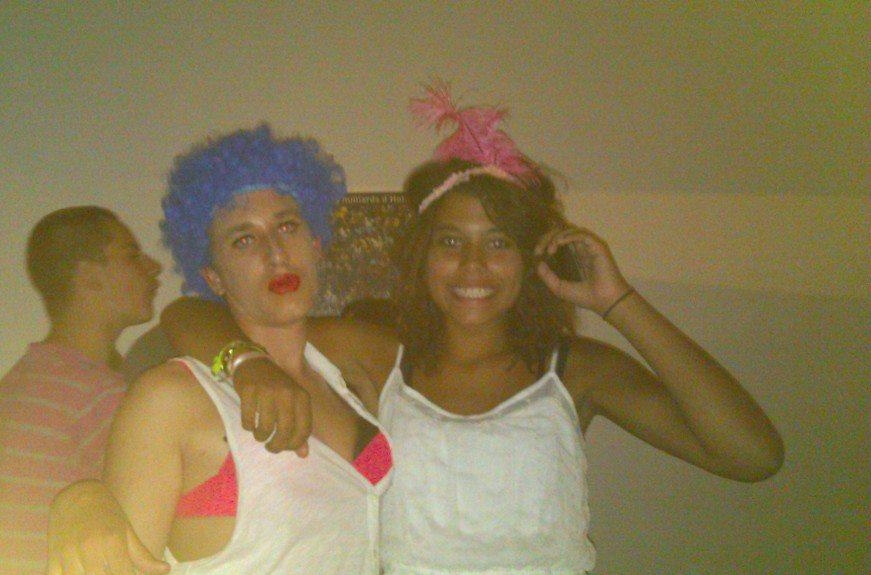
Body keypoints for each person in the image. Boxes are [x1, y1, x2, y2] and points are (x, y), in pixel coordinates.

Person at [49, 87, 783, 574]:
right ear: (421, 257)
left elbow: (752, 455)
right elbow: (189, 317)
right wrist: (242, 365)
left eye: (498, 242)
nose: (474, 266)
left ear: (530, 258)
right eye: (450, 242)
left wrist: (617, 299)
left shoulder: (571, 368)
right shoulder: (377, 356)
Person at [48, 125, 393, 575]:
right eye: (243, 240)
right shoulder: (170, 399)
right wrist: (78, 500)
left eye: (287, 226)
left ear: (315, 246)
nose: (276, 253)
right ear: (213, 277)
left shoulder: (342, 378)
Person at [0, 206, 161, 575]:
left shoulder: (22, 382)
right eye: (132, 255)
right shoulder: (100, 394)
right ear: (89, 276)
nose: (154, 267)